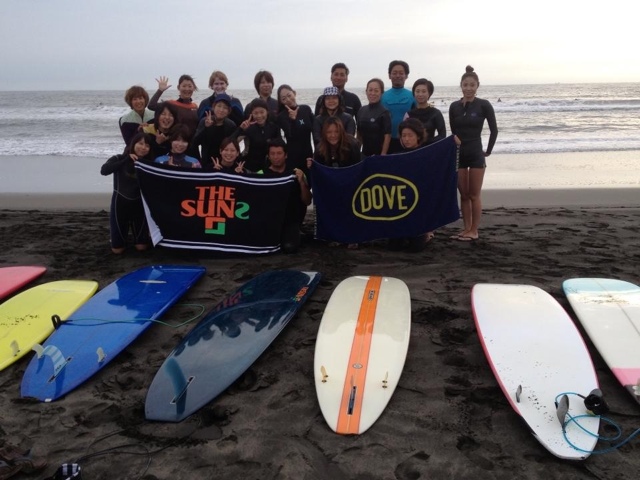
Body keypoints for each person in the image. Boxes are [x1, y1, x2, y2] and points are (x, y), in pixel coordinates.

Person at [448, 65, 498, 242]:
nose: (468, 88)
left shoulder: (484, 105)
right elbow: (454, 133)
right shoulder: (454, 106)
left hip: (476, 153)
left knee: (474, 195)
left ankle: (474, 230)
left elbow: (494, 130)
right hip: (460, 154)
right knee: (464, 194)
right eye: (465, 85)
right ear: (461, 86)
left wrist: (488, 151)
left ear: (477, 86)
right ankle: (466, 228)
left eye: (472, 85)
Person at [100, 132, 153, 254]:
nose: (143, 147)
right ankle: (117, 239)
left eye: (147, 145)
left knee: (141, 248)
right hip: (120, 205)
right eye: (140, 143)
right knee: (117, 250)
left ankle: (138, 238)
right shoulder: (118, 158)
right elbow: (104, 170)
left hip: (139, 206)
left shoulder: (148, 163)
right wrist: (126, 159)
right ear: (133, 144)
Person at [386, 118, 432, 252]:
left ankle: (427, 234)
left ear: (418, 136)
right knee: (393, 247)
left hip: (418, 208)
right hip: (400, 207)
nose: (406, 139)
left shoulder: (427, 154)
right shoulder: (396, 156)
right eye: (404, 135)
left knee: (415, 248)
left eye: (410, 135)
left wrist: (454, 143)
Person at [261, 138, 312, 253]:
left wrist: (301, 182)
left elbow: (307, 201)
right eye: (272, 154)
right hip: (270, 220)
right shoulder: (262, 175)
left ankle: (297, 233)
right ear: (268, 156)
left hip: (290, 221)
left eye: (279, 153)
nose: (276, 157)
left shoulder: (296, 173)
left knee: (289, 247)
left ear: (286, 155)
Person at [233, 99, 281, 172]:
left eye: (262, 112)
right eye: (255, 113)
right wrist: (240, 129)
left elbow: (280, 146)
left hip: (269, 168)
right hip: (249, 168)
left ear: (267, 112)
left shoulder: (274, 128)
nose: (259, 116)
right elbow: (231, 142)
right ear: (251, 114)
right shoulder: (248, 128)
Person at [276, 84, 314, 173]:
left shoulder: (306, 109)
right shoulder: (281, 116)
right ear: (281, 102)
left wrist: (316, 154)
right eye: (284, 99)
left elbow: (316, 131)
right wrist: (293, 120)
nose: (288, 100)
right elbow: (291, 134)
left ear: (294, 93)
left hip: (309, 156)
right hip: (293, 158)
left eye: (289, 95)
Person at [193, 93, 237, 170]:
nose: (221, 110)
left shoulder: (231, 125)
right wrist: (206, 127)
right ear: (213, 107)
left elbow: (233, 145)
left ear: (229, 111)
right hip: (206, 162)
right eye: (219, 106)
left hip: (224, 163)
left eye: (225, 108)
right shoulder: (204, 121)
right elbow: (195, 143)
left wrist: (241, 129)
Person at [381, 60, 415, 153]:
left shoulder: (412, 96)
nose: (398, 76)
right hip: (386, 141)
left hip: (407, 141)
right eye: (394, 73)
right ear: (389, 75)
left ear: (406, 76)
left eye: (401, 73)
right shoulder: (382, 96)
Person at [356, 78, 391, 156]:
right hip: (364, 153)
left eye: (376, 90)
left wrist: (383, 154)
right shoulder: (361, 110)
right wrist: (356, 152)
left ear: (381, 93)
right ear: (366, 92)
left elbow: (387, 136)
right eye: (370, 90)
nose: (373, 93)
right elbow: (359, 134)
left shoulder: (384, 112)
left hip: (378, 155)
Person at [405, 78, 446, 145]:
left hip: (430, 148)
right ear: (414, 93)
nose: (420, 94)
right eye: (417, 91)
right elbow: (404, 136)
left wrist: (426, 142)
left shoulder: (436, 113)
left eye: (424, 91)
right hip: (412, 149)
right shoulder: (408, 114)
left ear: (429, 93)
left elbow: (442, 136)